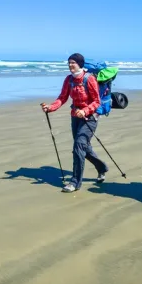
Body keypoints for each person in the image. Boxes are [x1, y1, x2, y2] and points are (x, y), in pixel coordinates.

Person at [41, 53, 109, 193]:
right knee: (84, 148)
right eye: (69, 62)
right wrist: (50, 107)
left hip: (90, 118)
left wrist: (85, 111)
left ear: (80, 64)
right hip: (75, 117)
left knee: (78, 146)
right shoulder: (69, 80)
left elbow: (97, 101)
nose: (70, 65)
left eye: (73, 62)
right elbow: (62, 98)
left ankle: (75, 182)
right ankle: (102, 168)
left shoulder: (89, 79)